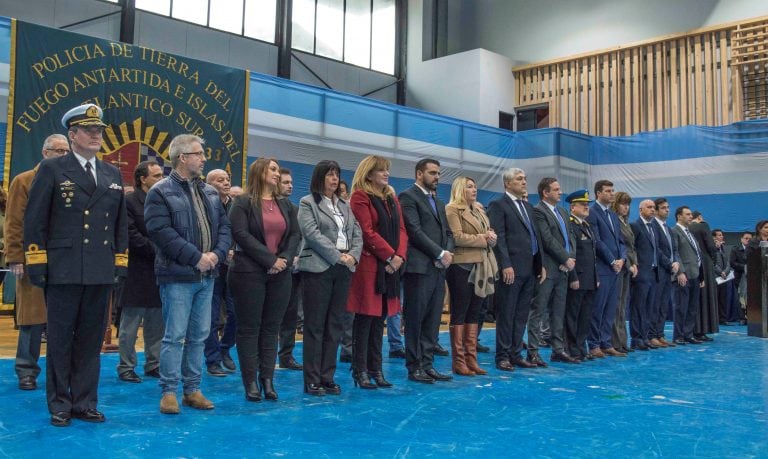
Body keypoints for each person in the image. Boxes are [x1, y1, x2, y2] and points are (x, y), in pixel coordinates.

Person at [24, 104, 128, 427]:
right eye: (89, 130)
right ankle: (60, 403)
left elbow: (120, 224)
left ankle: (84, 402)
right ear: (73, 135)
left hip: (99, 269)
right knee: (59, 339)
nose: (97, 135)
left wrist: (120, 262)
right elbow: (35, 220)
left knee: (90, 340)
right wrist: (37, 263)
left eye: (99, 130)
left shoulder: (111, 174)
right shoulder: (53, 169)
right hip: (63, 268)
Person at [145, 134, 232, 414]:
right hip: (177, 277)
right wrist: (197, 258)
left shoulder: (209, 192)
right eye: (199, 153)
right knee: (175, 336)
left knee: (199, 335)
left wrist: (216, 255)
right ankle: (168, 391)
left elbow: (225, 229)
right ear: (183, 157)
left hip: (207, 277)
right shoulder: (159, 191)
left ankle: (192, 389)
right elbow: (161, 233)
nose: (204, 158)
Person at [228, 158, 300, 402]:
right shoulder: (243, 202)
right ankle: (250, 382)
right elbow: (240, 234)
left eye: (278, 170)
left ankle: (267, 380)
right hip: (248, 273)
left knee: (271, 328)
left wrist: (284, 260)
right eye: (272, 169)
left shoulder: (286, 205)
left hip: (280, 274)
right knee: (249, 329)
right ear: (259, 172)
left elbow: (294, 235)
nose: (277, 174)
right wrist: (270, 260)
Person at [6, 134, 69, 391]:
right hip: (32, 258)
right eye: (59, 151)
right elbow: (14, 222)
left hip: (63, 260)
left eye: (67, 151)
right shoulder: (23, 180)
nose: (64, 155)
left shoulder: (69, 181)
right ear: (45, 153)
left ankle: (60, 372)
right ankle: (26, 370)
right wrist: (14, 257)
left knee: (61, 319)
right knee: (32, 319)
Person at [298, 160, 363, 395]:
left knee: (335, 325)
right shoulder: (307, 203)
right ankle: (312, 379)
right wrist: (338, 256)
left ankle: (327, 376)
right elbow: (312, 234)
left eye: (337, 175)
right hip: (319, 267)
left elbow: (357, 233)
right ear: (319, 178)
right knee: (315, 326)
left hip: (344, 269)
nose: (334, 179)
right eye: (329, 175)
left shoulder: (345, 205)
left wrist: (353, 256)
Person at [346, 155, 407, 389]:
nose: (386, 173)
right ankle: (360, 370)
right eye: (381, 170)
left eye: (387, 170)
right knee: (365, 321)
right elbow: (366, 232)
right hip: (370, 267)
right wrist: (390, 256)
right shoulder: (360, 197)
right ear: (369, 173)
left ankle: (376, 369)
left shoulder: (391, 197)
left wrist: (399, 257)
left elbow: (402, 229)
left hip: (391, 266)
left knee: (379, 320)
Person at [399, 158, 455, 383]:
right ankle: (414, 367)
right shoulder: (408, 197)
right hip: (419, 268)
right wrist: (439, 254)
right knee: (416, 319)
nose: (437, 177)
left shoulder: (439, 203)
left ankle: (428, 363)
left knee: (433, 318)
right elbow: (414, 230)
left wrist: (447, 253)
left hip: (438, 269)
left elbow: (449, 233)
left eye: (439, 173)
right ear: (419, 174)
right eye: (432, 173)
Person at [487, 168, 544, 371]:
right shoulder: (498, 204)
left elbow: (535, 238)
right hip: (511, 269)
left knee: (521, 314)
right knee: (506, 313)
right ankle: (502, 356)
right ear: (507, 183)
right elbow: (499, 237)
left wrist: (540, 265)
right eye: (519, 179)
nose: (524, 182)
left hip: (529, 269)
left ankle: (516, 354)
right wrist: (506, 264)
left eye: (525, 178)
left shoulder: (527, 207)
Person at [117, 161, 165, 384]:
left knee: (156, 324)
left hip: (159, 272)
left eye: (162, 175)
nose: (161, 179)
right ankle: (126, 366)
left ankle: (153, 363)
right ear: (142, 179)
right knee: (130, 325)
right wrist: (159, 250)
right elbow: (130, 233)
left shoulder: (164, 201)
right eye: (156, 176)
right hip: (137, 269)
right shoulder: (128, 201)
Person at [445, 176, 497, 376]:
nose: (473, 189)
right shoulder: (452, 209)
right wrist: (484, 238)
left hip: (481, 265)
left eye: (475, 186)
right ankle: (458, 361)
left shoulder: (478, 210)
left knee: (475, 312)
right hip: (461, 266)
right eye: (469, 186)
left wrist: (491, 237)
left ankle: (471, 359)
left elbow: (486, 234)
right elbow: (456, 237)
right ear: (459, 189)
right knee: (460, 312)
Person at [530, 177, 578, 364]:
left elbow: (571, 237)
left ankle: (558, 349)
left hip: (563, 269)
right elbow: (547, 239)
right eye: (556, 189)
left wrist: (570, 258)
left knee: (558, 311)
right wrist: (565, 258)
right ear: (545, 192)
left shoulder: (563, 212)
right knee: (538, 310)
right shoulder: (538, 211)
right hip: (548, 268)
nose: (560, 192)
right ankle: (533, 351)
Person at [586, 180, 627, 358]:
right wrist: (612, 260)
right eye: (608, 191)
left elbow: (621, 240)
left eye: (612, 190)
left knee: (611, 308)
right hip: (603, 267)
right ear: (598, 193)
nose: (611, 194)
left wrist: (622, 259)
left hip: (616, 268)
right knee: (598, 308)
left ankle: (606, 342)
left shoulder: (612, 215)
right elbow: (597, 241)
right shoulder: (592, 212)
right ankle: (594, 344)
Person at [203, 169, 238, 377]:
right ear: (209, 184)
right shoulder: (206, 205)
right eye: (220, 180)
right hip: (213, 266)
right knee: (213, 316)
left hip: (234, 268)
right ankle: (212, 359)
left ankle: (225, 348)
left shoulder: (235, 206)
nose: (226, 183)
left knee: (236, 314)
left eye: (227, 179)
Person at [564, 190, 598, 361]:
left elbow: (591, 255)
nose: (586, 206)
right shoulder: (571, 225)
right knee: (572, 315)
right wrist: (573, 277)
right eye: (582, 204)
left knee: (585, 316)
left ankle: (581, 346)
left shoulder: (586, 226)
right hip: (578, 277)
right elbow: (572, 254)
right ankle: (571, 349)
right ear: (572, 207)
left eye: (587, 204)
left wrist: (596, 277)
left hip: (589, 278)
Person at [277, 167, 303, 371]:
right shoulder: (261, 207)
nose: (290, 185)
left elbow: (298, 236)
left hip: (290, 268)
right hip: (267, 266)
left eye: (291, 182)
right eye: (285, 182)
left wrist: (293, 256)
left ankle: (286, 355)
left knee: (290, 314)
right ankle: (262, 355)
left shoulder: (295, 210)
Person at [629, 199, 662, 350]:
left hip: (654, 272)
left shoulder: (653, 227)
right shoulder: (635, 226)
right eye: (649, 207)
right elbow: (632, 248)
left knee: (649, 307)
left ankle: (645, 336)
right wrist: (635, 265)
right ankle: (636, 338)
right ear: (640, 210)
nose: (652, 210)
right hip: (641, 273)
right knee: (638, 307)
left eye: (654, 207)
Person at [670, 206, 703, 345]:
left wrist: (701, 276)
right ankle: (678, 336)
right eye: (688, 214)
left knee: (692, 307)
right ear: (679, 216)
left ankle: (688, 334)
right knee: (681, 307)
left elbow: (697, 254)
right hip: (683, 276)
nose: (691, 216)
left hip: (694, 275)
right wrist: (680, 272)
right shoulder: (674, 231)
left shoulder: (689, 232)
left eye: (691, 214)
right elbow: (675, 252)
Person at [651, 198, 680, 347]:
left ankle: (660, 333)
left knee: (663, 304)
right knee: (655, 304)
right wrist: (669, 264)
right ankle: (652, 335)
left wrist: (675, 262)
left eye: (668, 207)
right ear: (655, 210)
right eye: (663, 208)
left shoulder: (668, 228)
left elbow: (674, 248)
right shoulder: (653, 226)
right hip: (659, 270)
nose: (667, 210)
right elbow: (657, 249)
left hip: (669, 271)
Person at [610, 192, 636, 354]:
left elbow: (632, 247)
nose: (626, 207)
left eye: (628, 204)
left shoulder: (625, 223)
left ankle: (622, 341)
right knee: (616, 305)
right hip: (619, 267)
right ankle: (616, 342)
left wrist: (635, 263)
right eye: (623, 203)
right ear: (616, 204)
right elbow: (622, 246)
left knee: (622, 306)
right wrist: (629, 262)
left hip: (628, 267)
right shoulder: (615, 222)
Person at [688, 211, 718, 341]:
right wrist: (713, 260)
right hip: (705, 264)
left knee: (695, 298)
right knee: (706, 297)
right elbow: (711, 246)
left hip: (692, 264)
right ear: (699, 217)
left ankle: (694, 329)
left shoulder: (686, 228)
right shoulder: (703, 225)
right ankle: (703, 329)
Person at [730, 231, 751, 325]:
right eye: (746, 238)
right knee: (741, 298)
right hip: (740, 277)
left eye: (750, 239)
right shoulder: (735, 249)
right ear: (741, 239)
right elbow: (732, 263)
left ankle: (751, 317)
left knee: (751, 298)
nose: (748, 240)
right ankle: (742, 317)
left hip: (752, 277)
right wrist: (745, 267)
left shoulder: (754, 249)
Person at [712, 228, 733, 325]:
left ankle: (723, 318)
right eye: (719, 235)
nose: (721, 236)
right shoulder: (712, 247)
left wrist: (726, 271)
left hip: (724, 278)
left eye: (721, 235)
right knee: (715, 298)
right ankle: (715, 319)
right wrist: (721, 272)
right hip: (716, 277)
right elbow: (712, 262)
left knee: (723, 299)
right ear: (714, 237)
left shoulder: (723, 247)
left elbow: (728, 261)